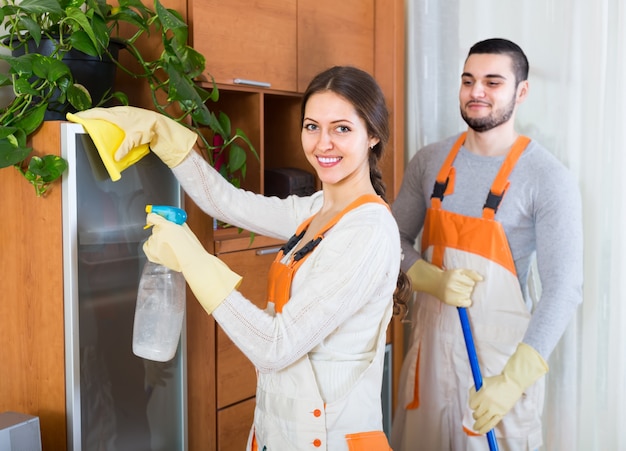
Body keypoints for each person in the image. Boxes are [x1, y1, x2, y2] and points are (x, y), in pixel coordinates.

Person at [69, 65, 412, 451]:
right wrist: (164, 135)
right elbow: (227, 203)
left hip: (331, 440)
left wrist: (193, 260)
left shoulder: (367, 231)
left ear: (373, 136)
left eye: (342, 128)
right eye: (312, 126)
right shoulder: (317, 210)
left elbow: (275, 347)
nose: (322, 143)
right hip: (277, 433)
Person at [390, 38, 583, 451]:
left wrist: (512, 382)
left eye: (492, 82)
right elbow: (390, 241)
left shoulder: (547, 178)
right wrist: (426, 277)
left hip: (494, 374)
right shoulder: (429, 161)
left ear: (521, 91)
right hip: (428, 365)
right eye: (468, 80)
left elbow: (564, 289)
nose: (476, 91)